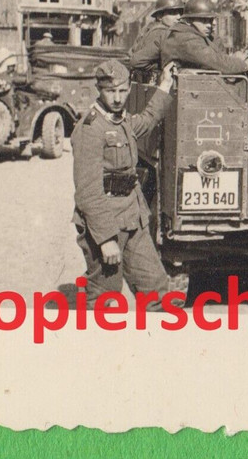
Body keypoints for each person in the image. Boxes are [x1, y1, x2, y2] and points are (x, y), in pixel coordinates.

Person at [71, 58, 179, 310]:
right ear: (99, 90)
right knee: (105, 298)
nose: (118, 98)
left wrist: (165, 84)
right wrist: (106, 239)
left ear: (129, 88)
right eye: (111, 91)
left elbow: (149, 119)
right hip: (105, 221)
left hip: (132, 217)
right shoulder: (91, 128)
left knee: (156, 291)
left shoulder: (122, 121)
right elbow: (88, 192)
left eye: (122, 90)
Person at [161, 0, 248, 146]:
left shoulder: (188, 35)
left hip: (199, 88)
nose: (209, 25)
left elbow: (216, 57)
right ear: (188, 20)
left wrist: (237, 59)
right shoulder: (187, 39)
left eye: (210, 20)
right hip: (199, 92)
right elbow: (217, 62)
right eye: (203, 20)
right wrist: (245, 64)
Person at [128, 0, 185, 82]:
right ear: (159, 16)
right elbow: (136, 61)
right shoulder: (161, 33)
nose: (178, 17)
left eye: (180, 13)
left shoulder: (151, 28)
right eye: (172, 13)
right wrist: (159, 67)